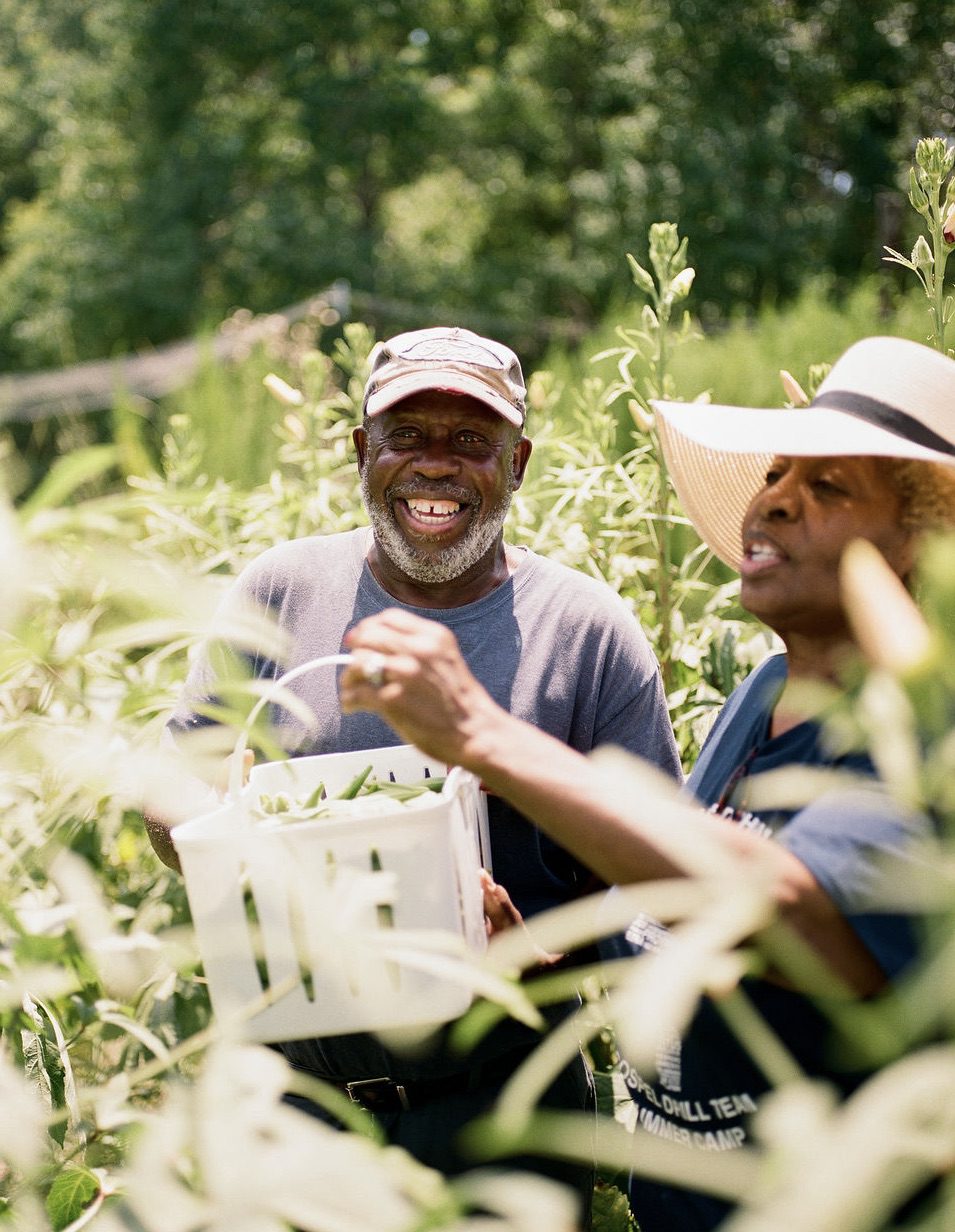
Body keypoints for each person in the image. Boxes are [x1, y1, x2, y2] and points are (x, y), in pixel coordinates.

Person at [338, 335, 955, 1230]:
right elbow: (678, 904)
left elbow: (790, 915)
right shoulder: (765, 693)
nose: (775, 501)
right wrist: (538, 955)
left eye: (827, 488)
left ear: (924, 541)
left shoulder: (922, 724)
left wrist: (479, 732)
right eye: (775, 474)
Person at [150, 325, 682, 1224]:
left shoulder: (586, 633)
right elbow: (176, 781)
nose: (436, 463)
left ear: (516, 463)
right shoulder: (281, 591)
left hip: (502, 1109)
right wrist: (223, 842)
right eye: (407, 435)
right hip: (294, 1105)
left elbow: (659, 882)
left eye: (470, 439)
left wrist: (541, 955)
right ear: (363, 452)